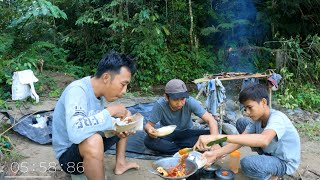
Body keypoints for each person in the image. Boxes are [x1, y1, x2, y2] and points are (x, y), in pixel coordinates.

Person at [52, 51, 139, 180]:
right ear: (106, 78)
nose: (124, 91)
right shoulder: (77, 91)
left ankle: (121, 164)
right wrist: (110, 111)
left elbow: (93, 123)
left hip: (83, 143)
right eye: (123, 84)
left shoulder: (98, 94)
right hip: (69, 158)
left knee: (125, 116)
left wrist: (117, 129)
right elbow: (76, 133)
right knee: (94, 140)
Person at [194, 84, 300, 180]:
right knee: (242, 123)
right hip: (269, 152)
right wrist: (215, 154)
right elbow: (240, 141)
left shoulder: (277, 118)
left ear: (263, 102)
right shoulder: (257, 119)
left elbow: (264, 140)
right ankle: (265, 162)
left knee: (248, 163)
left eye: (250, 107)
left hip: (283, 161)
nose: (247, 112)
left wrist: (216, 138)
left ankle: (271, 176)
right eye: (245, 108)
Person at [144, 79, 220, 155]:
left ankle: (176, 148)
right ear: (167, 97)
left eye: (182, 99)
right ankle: (186, 150)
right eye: (175, 99)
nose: (180, 103)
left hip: (186, 132)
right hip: (167, 135)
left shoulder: (190, 101)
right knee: (148, 140)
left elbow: (211, 120)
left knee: (211, 133)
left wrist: (215, 142)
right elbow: (148, 125)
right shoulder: (160, 105)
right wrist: (150, 130)